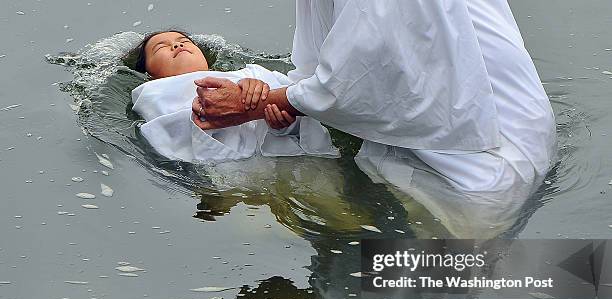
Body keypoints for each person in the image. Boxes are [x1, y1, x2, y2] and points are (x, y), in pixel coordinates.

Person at [192, 0, 556, 195]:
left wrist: (251, 105)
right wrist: (286, 104)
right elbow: (324, 68)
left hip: (484, 163)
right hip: (520, 125)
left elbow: (360, 76)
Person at [131, 30, 338, 163]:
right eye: (161, 48)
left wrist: (280, 119)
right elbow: (172, 139)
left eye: (183, 41)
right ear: (149, 73)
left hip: (296, 161)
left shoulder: (254, 74)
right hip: (235, 181)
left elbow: (306, 103)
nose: (177, 46)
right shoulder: (153, 92)